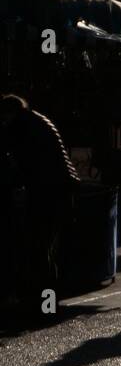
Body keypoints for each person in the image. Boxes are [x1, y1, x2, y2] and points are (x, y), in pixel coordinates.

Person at [0, 94, 76, 314]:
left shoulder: (22, 128)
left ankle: (45, 305)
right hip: (58, 189)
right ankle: (45, 304)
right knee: (45, 249)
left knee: (40, 249)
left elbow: (23, 163)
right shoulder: (36, 121)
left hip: (48, 192)